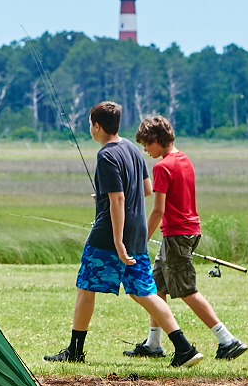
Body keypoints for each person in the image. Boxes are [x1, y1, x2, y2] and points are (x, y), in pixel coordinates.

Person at [45, 101, 203, 368]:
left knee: (86, 286)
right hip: (138, 233)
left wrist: (118, 241)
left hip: (108, 235)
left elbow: (118, 199)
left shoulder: (106, 155)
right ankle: (184, 348)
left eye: (90, 124)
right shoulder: (132, 149)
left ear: (97, 126)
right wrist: (105, 196)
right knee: (145, 292)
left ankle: (75, 350)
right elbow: (146, 190)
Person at [136, 113, 248, 360]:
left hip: (176, 234)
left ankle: (227, 340)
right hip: (188, 231)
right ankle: (153, 344)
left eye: (146, 144)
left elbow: (158, 210)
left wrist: (141, 240)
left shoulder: (162, 167)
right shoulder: (184, 160)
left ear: (156, 140)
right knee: (156, 285)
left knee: (186, 290)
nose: (145, 150)